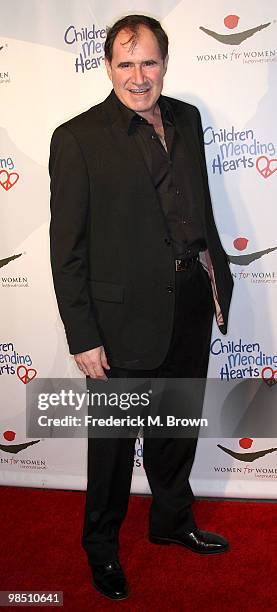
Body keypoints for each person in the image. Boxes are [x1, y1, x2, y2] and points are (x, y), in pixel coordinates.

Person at [49, 14, 233, 601]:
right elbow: (67, 249)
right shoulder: (76, 138)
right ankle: (101, 548)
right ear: (107, 67)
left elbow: (195, 205)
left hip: (189, 306)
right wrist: (83, 334)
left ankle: (171, 520)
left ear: (165, 64)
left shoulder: (189, 118)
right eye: (126, 63)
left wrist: (215, 278)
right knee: (111, 446)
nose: (139, 76)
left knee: (175, 428)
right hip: (120, 321)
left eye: (149, 62)